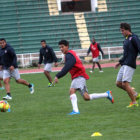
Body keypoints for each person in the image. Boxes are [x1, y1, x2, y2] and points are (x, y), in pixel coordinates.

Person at [54, 40, 114, 115]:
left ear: (67, 46)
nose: (61, 49)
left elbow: (67, 67)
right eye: (60, 47)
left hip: (79, 76)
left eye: (62, 47)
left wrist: (58, 76)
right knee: (86, 97)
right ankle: (106, 94)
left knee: (72, 91)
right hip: (79, 75)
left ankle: (75, 111)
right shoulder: (70, 54)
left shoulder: (69, 55)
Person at [115, 23, 140, 108]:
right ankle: (135, 94)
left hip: (130, 64)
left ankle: (134, 101)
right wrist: (119, 62)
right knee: (118, 83)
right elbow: (125, 54)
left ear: (127, 30)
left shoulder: (134, 38)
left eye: (122, 31)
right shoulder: (125, 40)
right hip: (124, 64)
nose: (121, 32)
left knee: (125, 84)